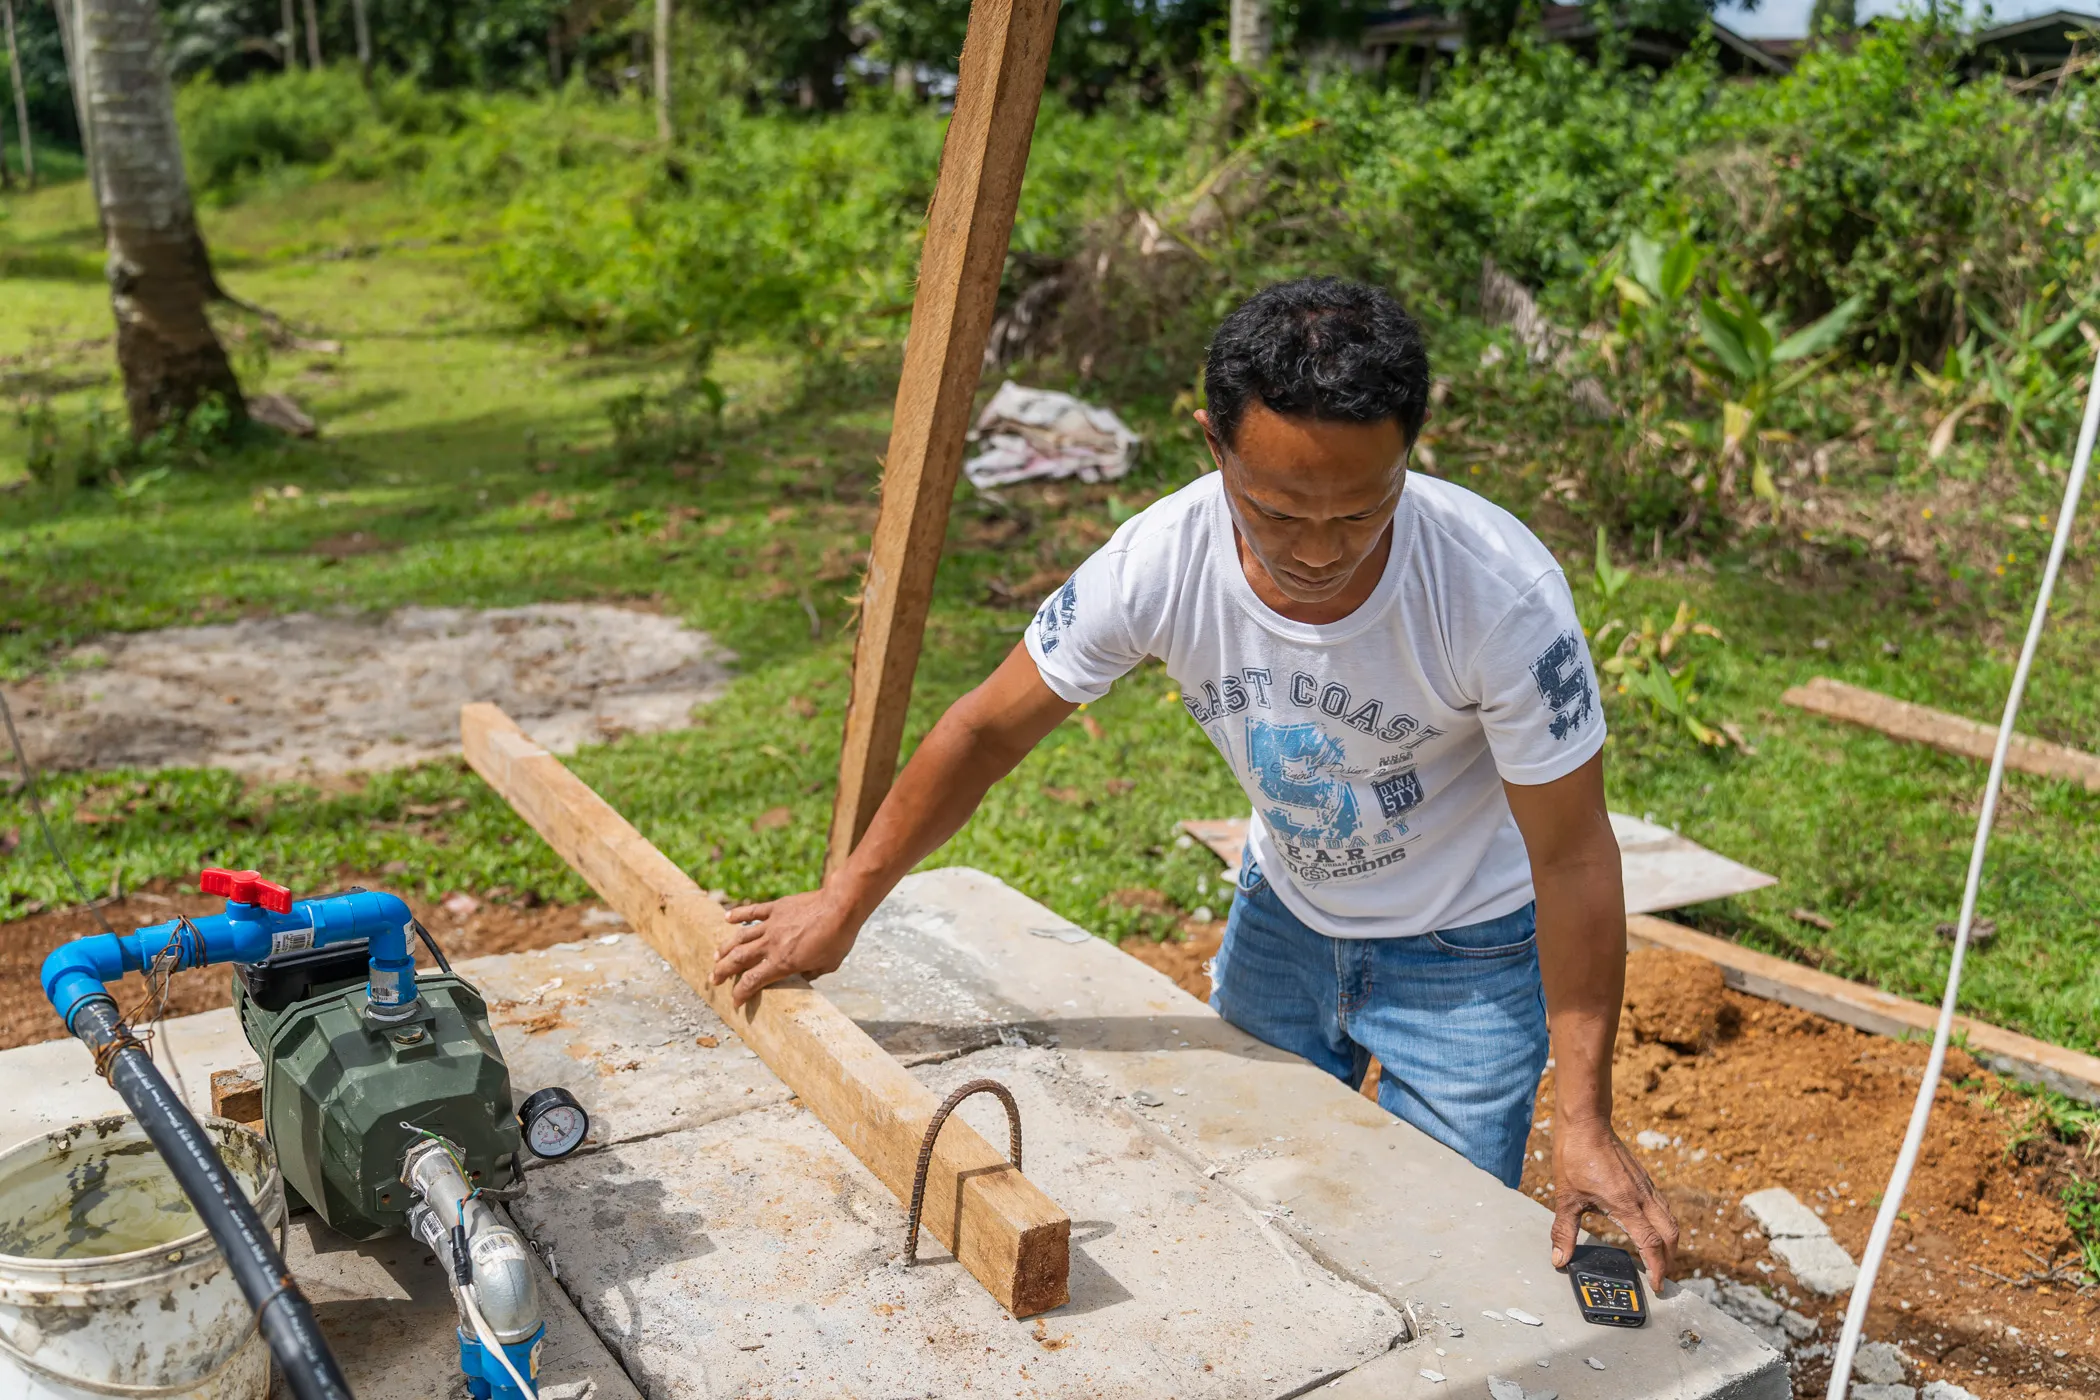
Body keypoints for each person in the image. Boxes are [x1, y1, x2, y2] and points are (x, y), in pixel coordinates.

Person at [712, 276, 1679, 1286]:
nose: (1316, 551)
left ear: (1409, 457)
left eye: (1358, 512)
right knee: (1262, 1208)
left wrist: (1585, 1119)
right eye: (1275, 510)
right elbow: (984, 730)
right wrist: (844, 902)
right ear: (1215, 447)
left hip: (1467, 957)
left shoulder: (1496, 592)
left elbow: (1570, 854)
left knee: (1431, 1254)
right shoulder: (1158, 561)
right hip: (1285, 924)